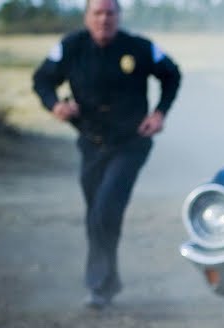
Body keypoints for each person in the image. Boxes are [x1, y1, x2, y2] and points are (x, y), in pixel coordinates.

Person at [31, 0, 181, 309]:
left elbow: (172, 74)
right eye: (97, 13)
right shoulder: (71, 47)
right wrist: (55, 105)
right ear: (86, 17)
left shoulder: (139, 47)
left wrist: (160, 113)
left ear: (119, 16)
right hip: (91, 143)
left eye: (110, 13)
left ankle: (98, 286)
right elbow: (42, 79)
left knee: (106, 208)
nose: (104, 19)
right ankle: (107, 281)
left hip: (131, 144)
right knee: (96, 214)